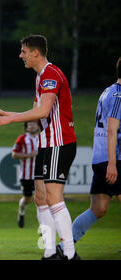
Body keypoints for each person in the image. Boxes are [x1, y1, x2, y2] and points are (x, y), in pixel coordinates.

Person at [0, 34, 79, 260]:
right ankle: (49, 253)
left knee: (54, 197)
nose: (21, 55)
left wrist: (8, 120)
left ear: (36, 52)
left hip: (59, 142)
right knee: (40, 197)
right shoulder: (40, 77)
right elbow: (35, 114)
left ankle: (70, 254)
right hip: (46, 142)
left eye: (23, 51)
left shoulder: (51, 75)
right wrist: (7, 113)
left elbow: (43, 111)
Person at [64, 57, 121, 255]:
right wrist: (112, 164)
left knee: (98, 208)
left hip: (100, 157)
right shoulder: (119, 96)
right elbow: (112, 130)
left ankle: (64, 248)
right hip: (114, 158)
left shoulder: (107, 91)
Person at [11, 121, 39, 228]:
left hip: (40, 175)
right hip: (26, 175)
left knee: (40, 199)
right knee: (27, 198)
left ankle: (42, 226)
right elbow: (14, 154)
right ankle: (21, 212)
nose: (32, 126)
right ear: (26, 128)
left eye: (34, 124)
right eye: (30, 124)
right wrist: (28, 155)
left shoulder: (42, 138)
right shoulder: (22, 139)